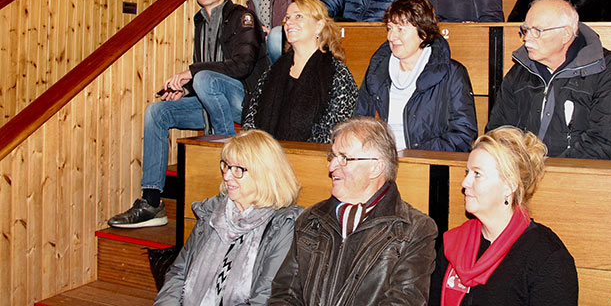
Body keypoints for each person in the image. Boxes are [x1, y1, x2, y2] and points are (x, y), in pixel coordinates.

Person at [108, 0, 267, 228]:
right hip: (212, 98)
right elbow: (206, 75)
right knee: (156, 112)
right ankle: (152, 201)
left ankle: (229, 165)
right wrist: (185, 89)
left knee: (203, 77)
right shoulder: (199, 20)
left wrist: (192, 73)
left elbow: (242, 67)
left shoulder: (242, 17)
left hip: (246, 101)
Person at [269, 117, 438, 306]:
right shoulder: (311, 219)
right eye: (332, 156)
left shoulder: (414, 229)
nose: (331, 167)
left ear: (375, 167)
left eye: (344, 158)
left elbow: (403, 301)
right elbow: (285, 293)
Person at [429, 127, 578, 306]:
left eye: (477, 174)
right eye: (467, 172)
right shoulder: (454, 244)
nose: (465, 183)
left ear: (509, 186)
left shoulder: (547, 258)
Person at [153, 130, 303, 306]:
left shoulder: (283, 226)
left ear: (264, 174)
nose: (226, 176)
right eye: (226, 166)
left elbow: (266, 297)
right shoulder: (212, 213)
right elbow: (178, 273)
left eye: (238, 169)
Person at [488, 0, 611, 159]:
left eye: (537, 31)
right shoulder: (520, 71)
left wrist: (549, 170)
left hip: (581, 177)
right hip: (522, 174)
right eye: (525, 29)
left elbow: (604, 144)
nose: (526, 38)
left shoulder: (607, 70)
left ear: (565, 34)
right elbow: (499, 133)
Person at [355, 0, 478, 151]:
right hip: (379, 160)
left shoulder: (453, 74)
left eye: (400, 29)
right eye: (390, 28)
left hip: (425, 164)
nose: (391, 37)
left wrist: (415, 154)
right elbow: (358, 122)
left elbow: (463, 135)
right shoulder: (376, 71)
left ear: (423, 33)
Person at [241, 0, 357, 142]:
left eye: (299, 16)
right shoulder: (273, 71)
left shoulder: (337, 74)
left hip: (310, 158)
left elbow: (333, 133)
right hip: (266, 156)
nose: (289, 22)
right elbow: (252, 117)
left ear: (319, 25)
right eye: (288, 17)